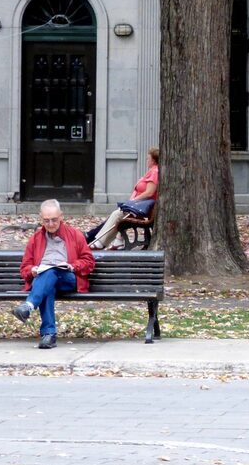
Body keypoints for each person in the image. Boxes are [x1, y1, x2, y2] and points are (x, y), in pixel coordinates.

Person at [12, 199, 95, 349]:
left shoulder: (74, 235)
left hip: (68, 279)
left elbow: (89, 262)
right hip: (44, 280)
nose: (50, 224)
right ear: (41, 219)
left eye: (54, 220)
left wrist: (71, 266)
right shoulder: (36, 238)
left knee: (51, 271)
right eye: (46, 220)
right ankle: (49, 336)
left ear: (61, 216)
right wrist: (33, 270)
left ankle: (29, 306)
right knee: (47, 282)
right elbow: (25, 268)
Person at [86, 146, 159, 250]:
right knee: (118, 213)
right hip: (138, 206)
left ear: (153, 160)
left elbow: (149, 192)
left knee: (117, 214)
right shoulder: (152, 171)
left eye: (148, 158)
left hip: (142, 208)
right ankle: (116, 241)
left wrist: (134, 201)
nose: (147, 160)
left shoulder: (154, 172)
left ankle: (101, 242)